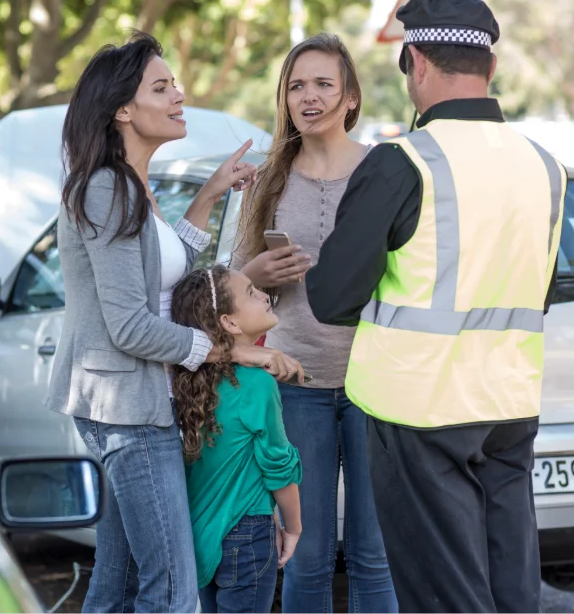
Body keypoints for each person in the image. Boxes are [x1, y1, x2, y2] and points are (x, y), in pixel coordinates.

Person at [306, 0, 567, 612]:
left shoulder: (403, 162)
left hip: (420, 412)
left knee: (445, 596)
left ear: (415, 62)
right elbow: (541, 291)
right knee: (510, 590)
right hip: (508, 405)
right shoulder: (546, 166)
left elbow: (332, 297)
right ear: (491, 70)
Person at [45, 33, 304, 613]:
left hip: (131, 402)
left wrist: (209, 194)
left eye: (174, 84)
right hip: (128, 407)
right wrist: (231, 352)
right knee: (172, 589)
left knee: (120, 582)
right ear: (122, 109)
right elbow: (131, 327)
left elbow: (165, 272)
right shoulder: (107, 189)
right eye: (162, 87)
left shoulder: (133, 185)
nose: (178, 96)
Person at [230, 33, 397, 613]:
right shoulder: (268, 177)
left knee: (376, 557)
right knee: (306, 557)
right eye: (296, 85)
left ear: (351, 97)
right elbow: (231, 288)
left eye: (324, 84)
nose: (309, 96)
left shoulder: (385, 171)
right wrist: (257, 271)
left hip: (375, 385)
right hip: (295, 386)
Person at [170, 265, 304, 613]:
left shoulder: (187, 381)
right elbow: (278, 466)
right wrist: (293, 527)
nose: (263, 294)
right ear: (230, 322)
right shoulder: (257, 384)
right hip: (248, 538)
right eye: (251, 292)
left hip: (201, 539)